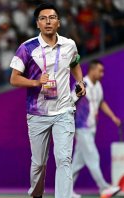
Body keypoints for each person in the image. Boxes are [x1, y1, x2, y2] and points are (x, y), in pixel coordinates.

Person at [9, 3, 86, 198]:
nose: (48, 21)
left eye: (52, 18)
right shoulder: (27, 48)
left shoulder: (69, 45)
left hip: (64, 111)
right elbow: (14, 79)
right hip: (37, 114)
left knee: (64, 159)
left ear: (58, 22)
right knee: (39, 163)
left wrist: (80, 81)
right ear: (37, 24)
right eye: (43, 18)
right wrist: (36, 82)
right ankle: (36, 194)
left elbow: (75, 63)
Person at [71, 60, 122, 198]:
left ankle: (65, 191)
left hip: (91, 129)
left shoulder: (98, 86)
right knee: (93, 156)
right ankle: (104, 188)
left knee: (77, 163)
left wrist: (113, 117)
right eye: (100, 71)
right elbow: (70, 102)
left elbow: (101, 102)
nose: (102, 74)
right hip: (82, 128)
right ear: (92, 70)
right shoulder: (82, 84)